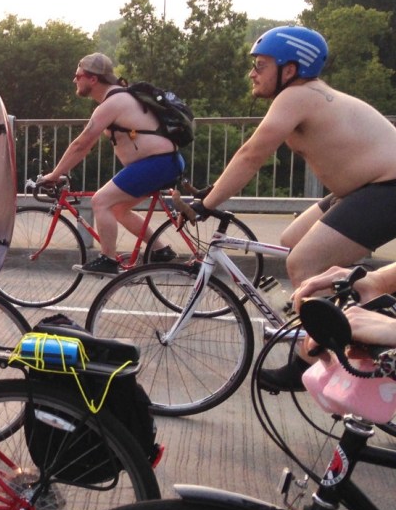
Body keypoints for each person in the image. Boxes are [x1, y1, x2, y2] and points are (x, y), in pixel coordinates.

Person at [193, 25, 396, 389]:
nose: (252, 73)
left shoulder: (297, 97)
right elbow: (251, 155)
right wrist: (211, 191)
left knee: (303, 263)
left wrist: (206, 205)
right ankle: (349, 309)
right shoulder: (304, 95)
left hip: (388, 188)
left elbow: (251, 154)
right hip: (363, 187)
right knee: (291, 240)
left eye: (261, 65)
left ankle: (307, 362)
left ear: (290, 69)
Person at [36, 53, 184, 275]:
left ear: (93, 79)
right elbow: (86, 146)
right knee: (118, 208)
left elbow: (82, 144)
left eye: (78, 75)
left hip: (157, 163)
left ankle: (108, 260)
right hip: (161, 163)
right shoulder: (119, 99)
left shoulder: (113, 103)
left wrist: (56, 174)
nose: (74, 80)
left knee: (100, 201)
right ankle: (161, 251)